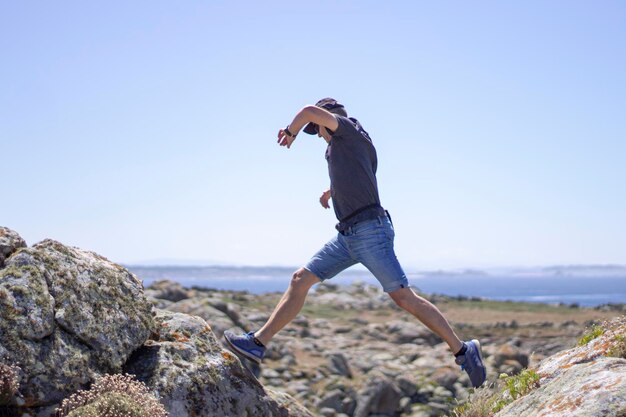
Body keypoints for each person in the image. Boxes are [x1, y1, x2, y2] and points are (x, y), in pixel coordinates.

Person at [224, 98, 486, 388]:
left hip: (371, 232)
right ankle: (257, 343)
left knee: (403, 298)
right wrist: (331, 192)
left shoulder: (348, 130)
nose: (319, 136)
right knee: (300, 280)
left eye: (318, 130)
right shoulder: (344, 147)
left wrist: (291, 131)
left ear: (327, 121)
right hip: (347, 236)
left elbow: (307, 112)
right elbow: (357, 178)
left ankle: (463, 349)